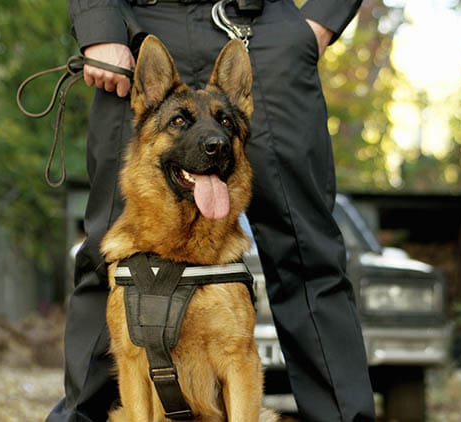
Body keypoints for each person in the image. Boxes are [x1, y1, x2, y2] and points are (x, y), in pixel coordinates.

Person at [46, 0, 375, 420]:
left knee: (307, 253)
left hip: (263, 29)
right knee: (108, 254)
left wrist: (316, 24)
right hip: (139, 24)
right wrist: (98, 24)